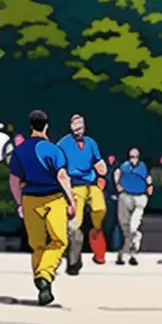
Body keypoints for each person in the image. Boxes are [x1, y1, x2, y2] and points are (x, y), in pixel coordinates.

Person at [8, 110, 77, 306]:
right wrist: (71, 201)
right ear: (46, 126)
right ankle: (45, 275)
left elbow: (14, 180)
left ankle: (42, 284)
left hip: (30, 200)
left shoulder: (20, 151)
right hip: (53, 199)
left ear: (31, 125)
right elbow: (62, 177)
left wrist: (19, 202)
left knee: (37, 244)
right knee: (59, 241)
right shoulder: (53, 150)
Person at [56, 113, 108, 274]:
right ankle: (72, 262)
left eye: (82, 127)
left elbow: (98, 161)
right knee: (74, 224)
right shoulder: (63, 144)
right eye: (76, 127)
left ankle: (96, 232)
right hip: (75, 185)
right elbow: (57, 164)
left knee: (100, 209)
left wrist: (102, 171)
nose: (79, 130)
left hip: (91, 183)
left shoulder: (91, 143)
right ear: (71, 126)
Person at [114, 147, 152, 265]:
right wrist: (118, 184)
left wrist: (149, 188)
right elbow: (117, 173)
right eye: (131, 157)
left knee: (133, 226)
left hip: (139, 197)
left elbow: (148, 180)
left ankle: (133, 249)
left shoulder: (143, 167)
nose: (133, 159)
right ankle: (127, 252)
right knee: (124, 225)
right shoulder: (124, 166)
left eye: (135, 157)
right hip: (125, 196)